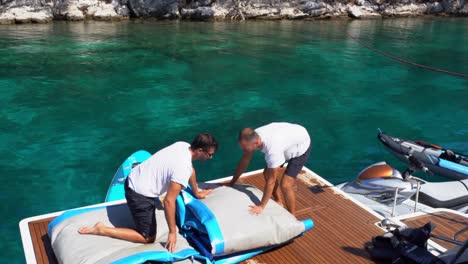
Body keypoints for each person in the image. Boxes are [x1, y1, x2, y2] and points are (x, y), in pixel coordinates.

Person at [78, 133, 218, 252]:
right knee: (148, 238)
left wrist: (196, 192)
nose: (211, 158)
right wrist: (172, 233)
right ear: (200, 151)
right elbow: (169, 201)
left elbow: (191, 170)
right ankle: (101, 229)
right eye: (210, 154)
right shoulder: (183, 168)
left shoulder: (182, 145)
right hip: (138, 193)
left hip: (135, 177)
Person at [229, 122, 311, 216]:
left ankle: (293, 216)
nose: (244, 151)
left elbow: (271, 181)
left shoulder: (272, 150)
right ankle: (278, 201)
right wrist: (232, 182)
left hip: (300, 145)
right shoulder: (253, 137)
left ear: (257, 143)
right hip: (288, 139)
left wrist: (261, 206)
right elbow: (244, 161)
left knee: (285, 184)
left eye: (245, 148)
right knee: (267, 174)